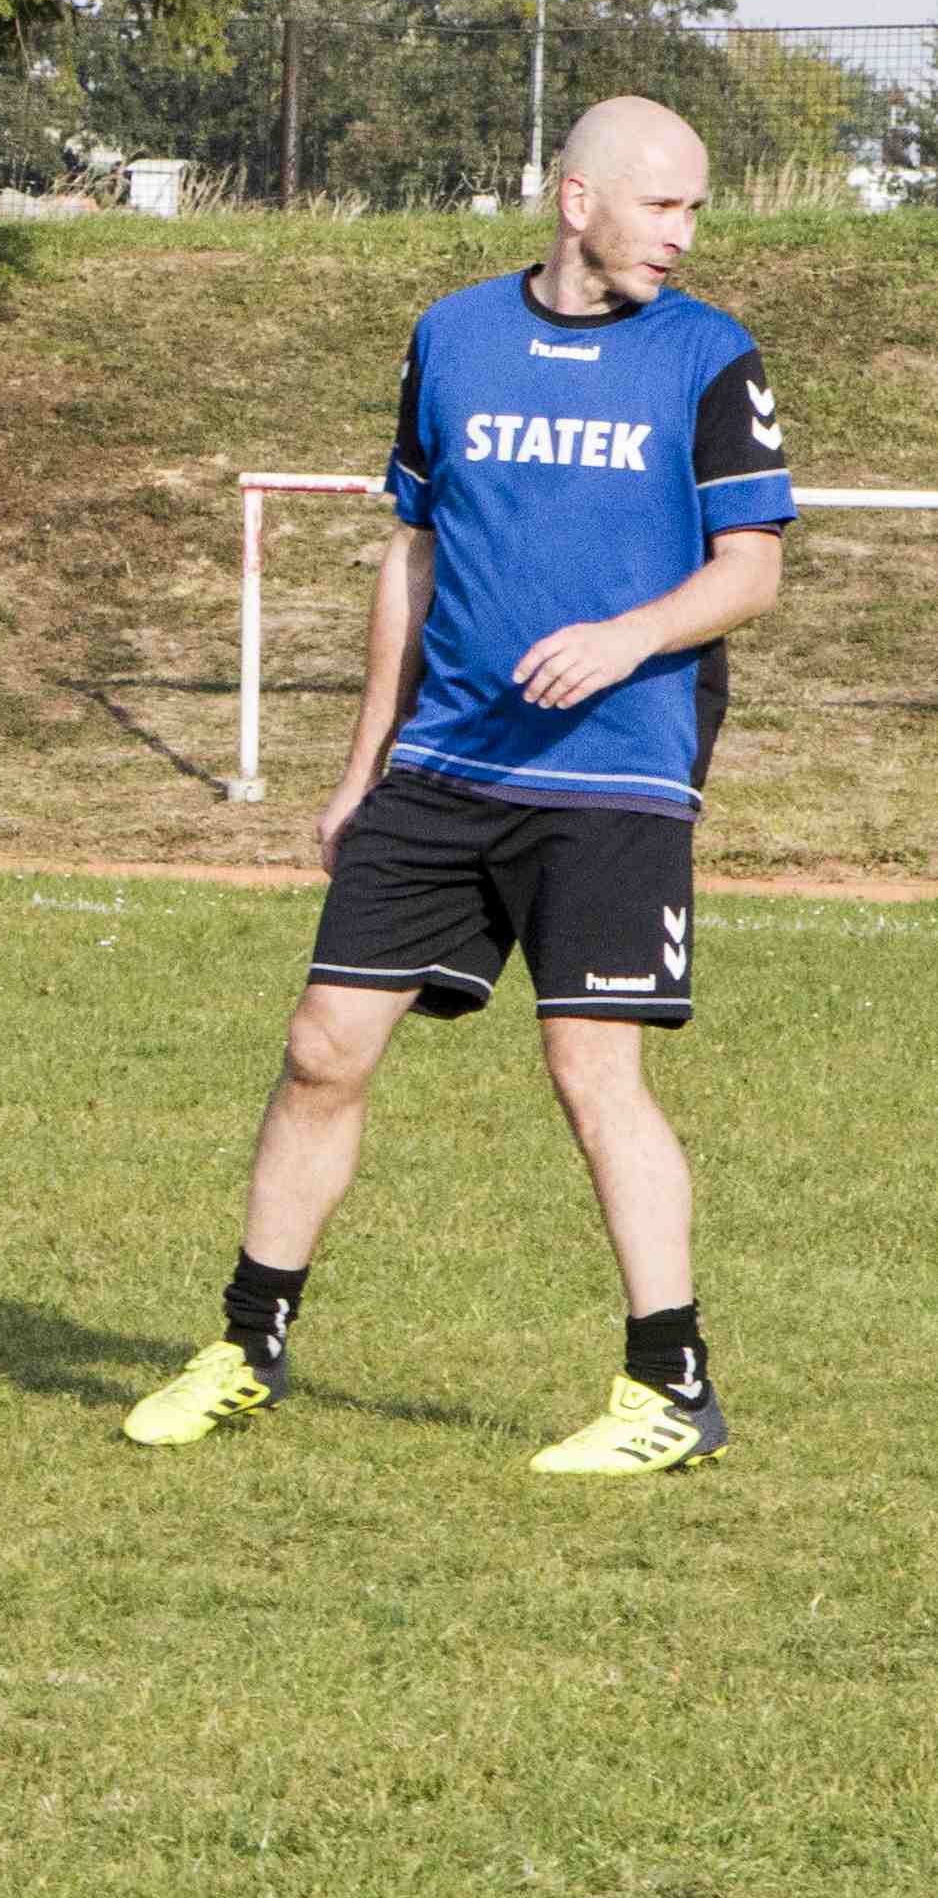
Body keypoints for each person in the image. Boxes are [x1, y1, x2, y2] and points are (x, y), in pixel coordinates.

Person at [127, 97, 791, 1474]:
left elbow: (752, 569)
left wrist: (622, 637)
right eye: (662, 205)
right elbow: (409, 558)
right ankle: (246, 1346)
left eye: (692, 210)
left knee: (585, 1064)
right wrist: (359, 765)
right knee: (321, 1046)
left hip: (615, 773)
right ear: (574, 200)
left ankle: (669, 1384)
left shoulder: (708, 358)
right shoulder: (452, 337)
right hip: (442, 761)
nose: (683, 234)